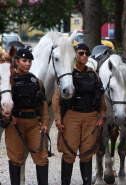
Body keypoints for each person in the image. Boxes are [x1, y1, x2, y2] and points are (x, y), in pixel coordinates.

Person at [52, 43, 107, 185]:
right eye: (81, 53)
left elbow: (100, 97)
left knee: (87, 153)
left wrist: (102, 116)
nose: (84, 56)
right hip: (72, 116)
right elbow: (56, 99)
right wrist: (58, 119)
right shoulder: (68, 73)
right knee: (69, 152)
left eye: (87, 54)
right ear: (75, 55)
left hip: (91, 117)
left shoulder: (93, 74)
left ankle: (87, 182)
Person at [5, 48, 50, 185]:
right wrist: (9, 118)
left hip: (33, 124)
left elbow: (43, 104)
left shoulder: (36, 81)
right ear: (17, 61)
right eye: (24, 61)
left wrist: (45, 123)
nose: (28, 64)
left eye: (30, 61)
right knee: (15, 158)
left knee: (41, 157)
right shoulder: (9, 81)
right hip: (15, 124)